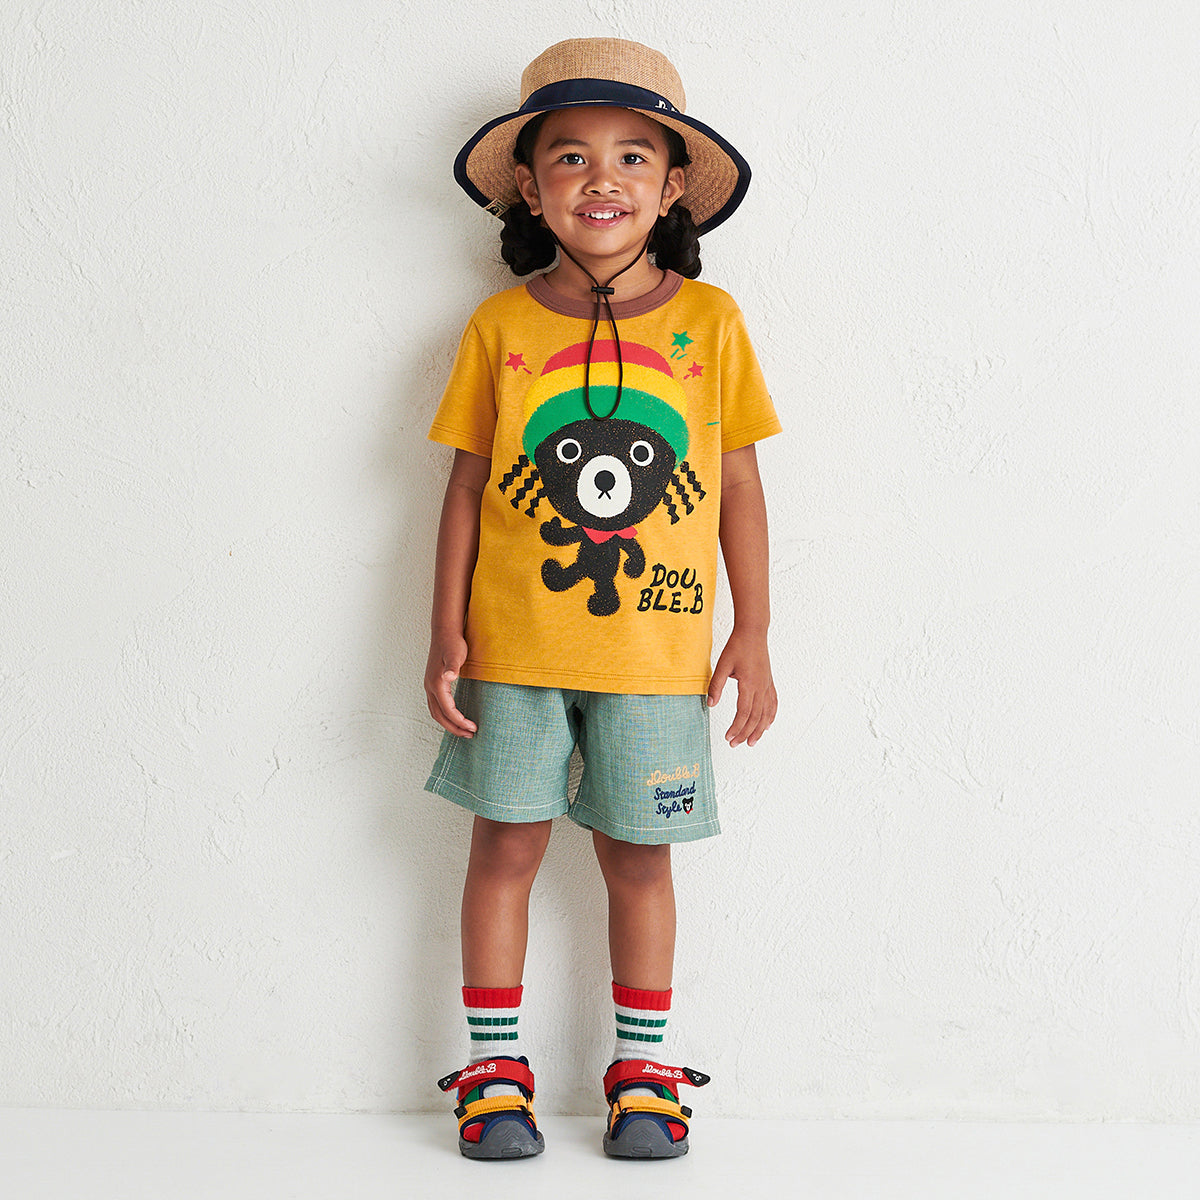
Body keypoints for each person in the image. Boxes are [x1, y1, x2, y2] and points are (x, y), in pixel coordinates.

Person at [424, 37, 781, 1160]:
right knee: (505, 849)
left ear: (672, 188)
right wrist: (443, 630)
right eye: (570, 156)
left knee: (640, 859)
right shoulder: (498, 328)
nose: (601, 178)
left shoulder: (712, 325)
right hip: (512, 652)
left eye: (633, 155)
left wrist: (755, 629)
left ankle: (644, 1069)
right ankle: (492, 1070)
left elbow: (737, 483)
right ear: (530, 189)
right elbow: (467, 486)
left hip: (657, 662)